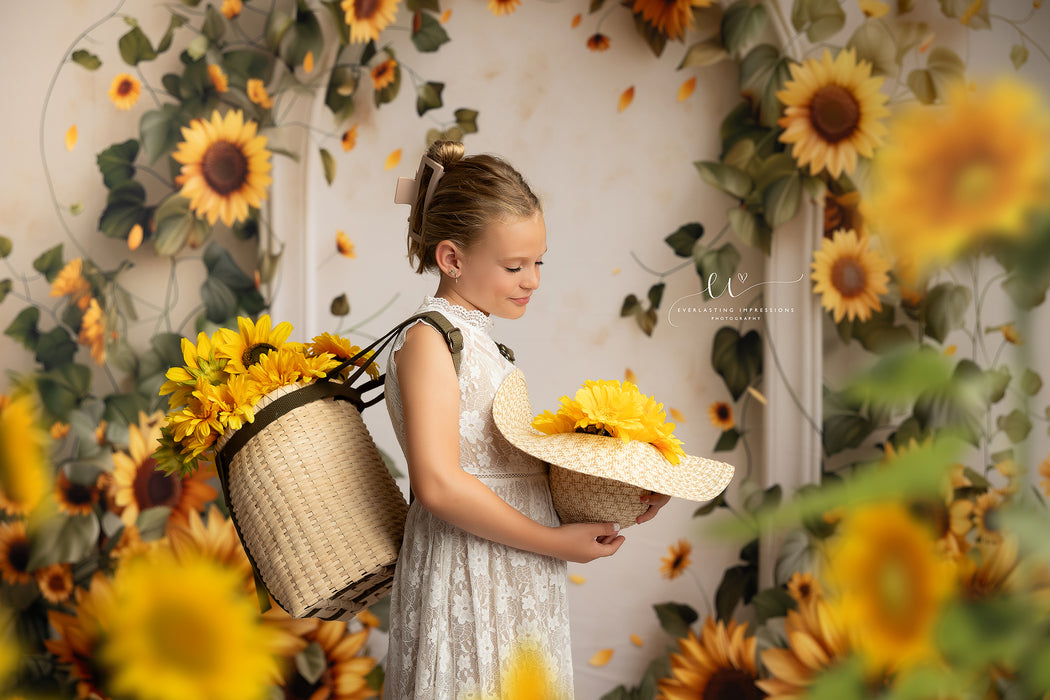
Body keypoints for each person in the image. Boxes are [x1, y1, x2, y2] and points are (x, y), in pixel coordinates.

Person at [383, 141, 670, 698]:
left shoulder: (482, 343)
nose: (532, 280)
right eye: (515, 266)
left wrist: (628, 496)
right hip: (467, 564)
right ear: (452, 259)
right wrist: (554, 542)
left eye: (539, 262)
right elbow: (438, 485)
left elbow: (512, 471)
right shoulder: (428, 341)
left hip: (516, 560)